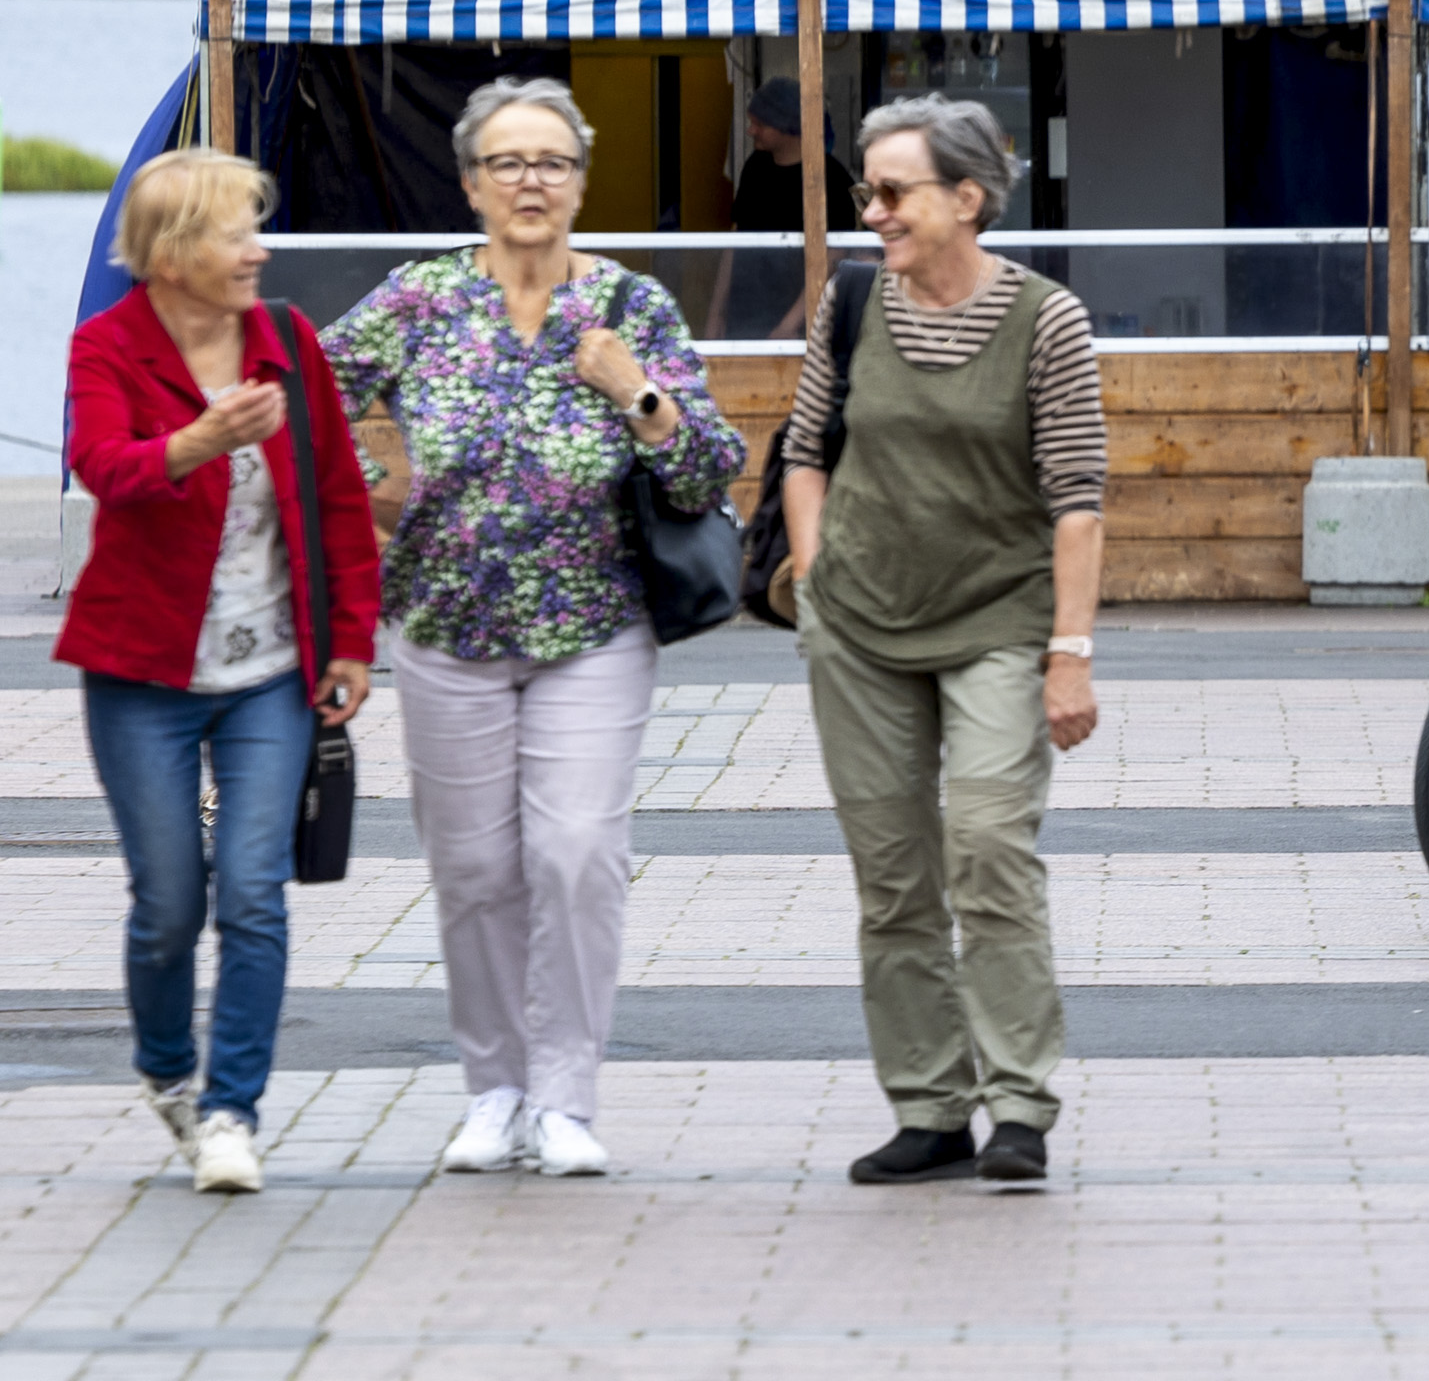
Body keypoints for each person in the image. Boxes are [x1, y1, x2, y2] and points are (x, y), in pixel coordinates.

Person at [325, 76, 748, 1180]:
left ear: (580, 181)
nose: (530, 182)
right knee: (472, 870)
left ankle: (564, 1097)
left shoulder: (631, 307)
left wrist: (635, 395)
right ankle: (494, 1089)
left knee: (575, 856)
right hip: (443, 624)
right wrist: (377, 473)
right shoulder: (417, 301)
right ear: (470, 182)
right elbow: (310, 390)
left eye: (551, 163)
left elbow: (709, 465)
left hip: (593, 628)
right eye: (507, 163)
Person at [777, 96, 1110, 1190]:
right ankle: (928, 1107)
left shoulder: (1046, 320)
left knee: (986, 846)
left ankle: (1017, 1103)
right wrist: (816, 574)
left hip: (997, 622)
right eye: (866, 193)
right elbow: (805, 448)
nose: (872, 214)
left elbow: (1075, 500)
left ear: (966, 199)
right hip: (860, 625)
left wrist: (1071, 652)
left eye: (891, 193)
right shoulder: (856, 300)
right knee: (892, 876)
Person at [60, 148, 379, 1197]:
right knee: (168, 903)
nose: (260, 250)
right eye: (238, 231)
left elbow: (338, 494)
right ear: (172, 253)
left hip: (270, 675)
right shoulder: (105, 347)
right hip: (140, 674)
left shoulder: (287, 341)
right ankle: (164, 1071)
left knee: (253, 891)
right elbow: (102, 467)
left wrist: (350, 641)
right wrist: (197, 440)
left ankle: (231, 1110)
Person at [718, 75, 854, 338]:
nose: (750, 131)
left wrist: (787, 327)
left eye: (759, 124)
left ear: (787, 126)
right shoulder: (755, 166)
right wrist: (717, 314)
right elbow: (735, 241)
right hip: (744, 315)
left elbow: (831, 258)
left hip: (800, 327)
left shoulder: (832, 179)